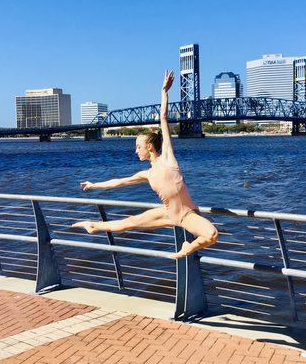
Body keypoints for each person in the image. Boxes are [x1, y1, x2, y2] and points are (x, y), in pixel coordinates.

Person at [72, 70, 218, 259]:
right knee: (129, 222)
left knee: (212, 234)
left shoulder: (168, 157)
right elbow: (118, 182)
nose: (136, 151)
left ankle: (187, 248)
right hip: (168, 213)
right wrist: (94, 185)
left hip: (186, 215)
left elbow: (163, 119)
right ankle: (93, 225)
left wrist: (164, 92)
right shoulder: (147, 174)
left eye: (138, 146)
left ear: (149, 147)